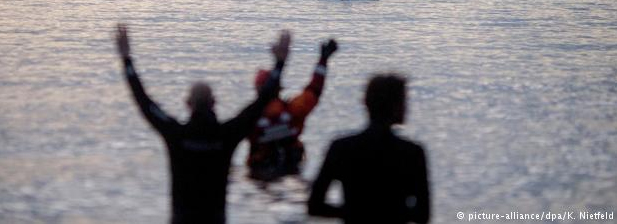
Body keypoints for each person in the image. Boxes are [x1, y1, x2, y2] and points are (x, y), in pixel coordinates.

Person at [116, 24, 290, 224]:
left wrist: (126, 60)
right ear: (214, 103)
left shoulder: (176, 134)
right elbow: (260, 103)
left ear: (187, 104)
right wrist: (279, 64)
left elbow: (144, 102)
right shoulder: (226, 134)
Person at [308, 74, 430, 224]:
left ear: (366, 103)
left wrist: (353, 212)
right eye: (404, 101)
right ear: (397, 107)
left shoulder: (341, 148)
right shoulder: (412, 153)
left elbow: (314, 206)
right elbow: (423, 215)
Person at [247, 39, 338, 180]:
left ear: (257, 89)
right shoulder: (293, 111)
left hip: (260, 173)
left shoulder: (249, 119)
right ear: (278, 88)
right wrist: (323, 59)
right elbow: (314, 90)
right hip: (291, 170)